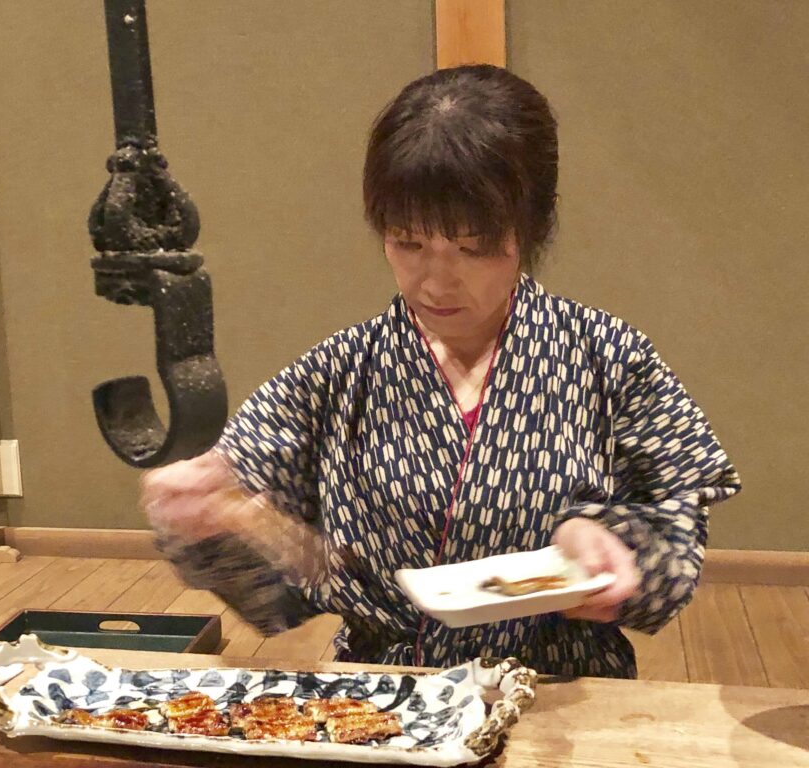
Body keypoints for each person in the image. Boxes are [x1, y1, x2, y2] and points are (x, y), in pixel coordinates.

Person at [141, 64, 740, 678]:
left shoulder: (612, 358)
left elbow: (675, 543)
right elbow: (277, 580)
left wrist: (616, 549)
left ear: (533, 227)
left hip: (565, 690)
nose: (435, 281)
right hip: (392, 698)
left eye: (473, 248)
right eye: (408, 243)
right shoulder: (333, 376)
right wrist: (201, 517)